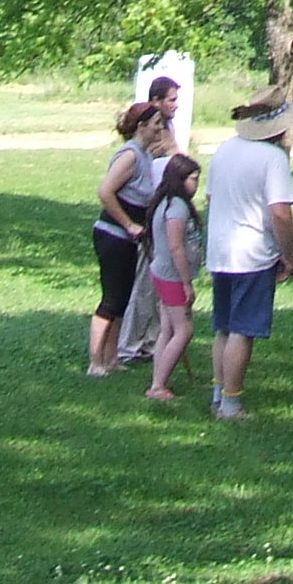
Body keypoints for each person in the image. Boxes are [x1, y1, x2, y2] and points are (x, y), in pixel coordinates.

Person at [205, 90, 293, 420]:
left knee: (223, 326)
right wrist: (289, 255)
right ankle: (231, 403)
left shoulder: (224, 150)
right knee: (242, 330)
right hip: (253, 252)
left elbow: (211, 197)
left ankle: (218, 393)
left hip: (221, 249)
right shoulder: (273, 158)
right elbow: (280, 213)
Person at [112, 71, 188, 366]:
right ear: (155, 100)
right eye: (171, 100)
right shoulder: (149, 138)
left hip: (162, 209)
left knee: (158, 283)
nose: (176, 104)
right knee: (144, 282)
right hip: (150, 214)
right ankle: (129, 344)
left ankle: (152, 339)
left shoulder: (166, 127)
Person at [89, 101, 169, 375]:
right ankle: (95, 361)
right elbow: (105, 192)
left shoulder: (145, 155)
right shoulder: (130, 155)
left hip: (128, 240)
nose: (160, 128)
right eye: (156, 123)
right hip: (112, 235)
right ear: (141, 126)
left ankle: (112, 359)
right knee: (111, 299)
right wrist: (129, 224)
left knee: (122, 299)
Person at [143, 153, 203, 404]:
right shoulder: (177, 207)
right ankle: (157, 386)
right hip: (172, 276)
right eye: (193, 179)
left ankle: (158, 380)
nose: (196, 184)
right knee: (184, 330)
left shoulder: (166, 202)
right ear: (180, 179)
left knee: (167, 328)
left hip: (162, 272)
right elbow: (176, 247)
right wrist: (186, 282)